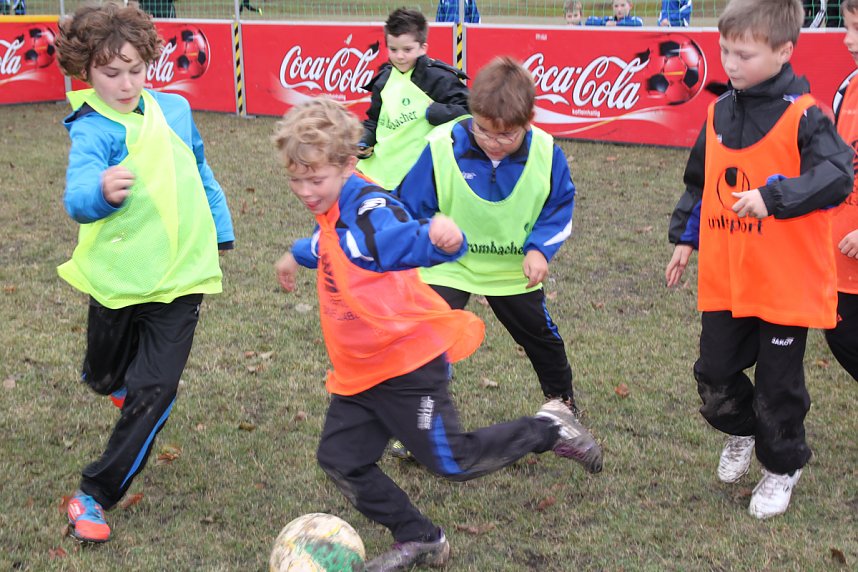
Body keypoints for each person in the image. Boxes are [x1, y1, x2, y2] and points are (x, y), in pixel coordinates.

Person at [273, 98, 602, 572]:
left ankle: (551, 428)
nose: (305, 190)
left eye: (314, 179)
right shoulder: (332, 209)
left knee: (453, 461)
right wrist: (296, 253)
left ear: (348, 164)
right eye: (296, 180)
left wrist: (433, 240)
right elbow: (332, 243)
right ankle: (421, 537)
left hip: (406, 364)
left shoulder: (368, 205)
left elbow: (384, 238)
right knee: (341, 459)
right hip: (362, 372)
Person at [665, 0, 852, 519]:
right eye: (725, 50)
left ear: (784, 51)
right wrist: (685, 237)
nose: (730, 63)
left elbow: (838, 175)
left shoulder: (806, 114)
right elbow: (701, 181)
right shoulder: (718, 110)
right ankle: (745, 433)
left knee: (778, 386)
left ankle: (782, 464)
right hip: (730, 276)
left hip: (786, 284)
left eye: (744, 54)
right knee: (714, 375)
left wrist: (775, 197)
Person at [55, 1, 234, 543]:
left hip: (181, 274)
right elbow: (77, 191)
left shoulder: (175, 111)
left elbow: (199, 167)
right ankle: (109, 380)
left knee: (157, 388)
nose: (126, 83)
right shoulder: (94, 127)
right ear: (86, 71)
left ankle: (94, 495)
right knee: (106, 375)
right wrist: (100, 193)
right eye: (112, 73)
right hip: (121, 275)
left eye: (136, 69)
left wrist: (220, 228)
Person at [396, 56, 602, 465]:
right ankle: (419, 426)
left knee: (539, 337)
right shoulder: (442, 145)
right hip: (448, 263)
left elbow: (558, 207)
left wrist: (540, 248)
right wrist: (430, 228)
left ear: (529, 120)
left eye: (505, 136)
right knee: (424, 341)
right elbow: (411, 204)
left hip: (512, 270)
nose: (492, 142)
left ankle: (563, 407)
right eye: (484, 131)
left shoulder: (546, 152)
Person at [356, 7, 469, 190]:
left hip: (419, 178)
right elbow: (374, 121)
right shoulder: (383, 79)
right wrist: (364, 140)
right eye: (393, 49)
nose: (400, 56)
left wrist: (438, 112)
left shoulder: (439, 78)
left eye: (407, 49)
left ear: (422, 48)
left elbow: (470, 109)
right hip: (380, 175)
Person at [824, 0, 858, 381]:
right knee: (842, 336)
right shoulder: (847, 89)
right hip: (841, 266)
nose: (848, 40)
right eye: (847, 27)